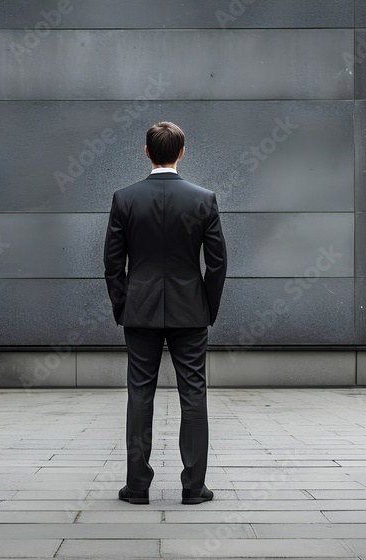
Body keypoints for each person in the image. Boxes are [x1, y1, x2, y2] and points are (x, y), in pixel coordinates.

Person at [103, 121, 228, 505]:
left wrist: (123, 305)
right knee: (194, 394)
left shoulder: (124, 199)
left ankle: (137, 487)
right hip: (190, 311)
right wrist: (207, 307)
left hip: (138, 312)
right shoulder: (203, 199)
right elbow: (218, 263)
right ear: (182, 152)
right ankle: (194, 487)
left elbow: (112, 263)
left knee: (139, 394)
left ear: (146, 152)